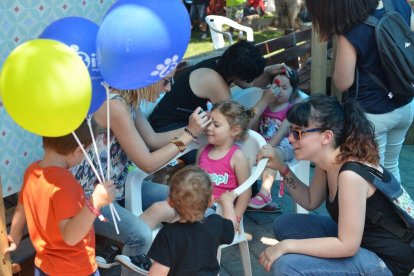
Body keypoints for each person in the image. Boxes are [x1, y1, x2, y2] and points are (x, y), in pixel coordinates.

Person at [257, 95, 414, 275]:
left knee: (286, 266)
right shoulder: (329, 162)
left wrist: (286, 246)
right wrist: (282, 168)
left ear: (326, 136)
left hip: (386, 261)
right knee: (286, 224)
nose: (291, 139)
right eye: (290, 131)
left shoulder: (350, 175)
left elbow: (347, 246)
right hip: (361, 241)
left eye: (298, 132)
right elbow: (310, 201)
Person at [71, 76, 210, 275]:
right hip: (89, 196)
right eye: (166, 81)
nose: (169, 88)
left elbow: (153, 139)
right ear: (147, 78)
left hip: (117, 187)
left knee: (188, 198)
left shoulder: (128, 102)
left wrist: (194, 129)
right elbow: (147, 162)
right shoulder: (115, 106)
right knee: (141, 235)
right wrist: (189, 135)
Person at [306, 0, 414, 183]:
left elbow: (343, 82)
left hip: (373, 114)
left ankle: (377, 212)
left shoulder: (351, 28)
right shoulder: (399, 3)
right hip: (405, 103)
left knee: (372, 175)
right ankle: (401, 210)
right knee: (391, 167)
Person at [5, 121, 115, 275]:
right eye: (86, 151)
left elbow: (21, 208)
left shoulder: (32, 171)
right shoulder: (65, 183)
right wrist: (95, 203)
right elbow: (70, 237)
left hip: (44, 266)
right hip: (75, 269)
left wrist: (14, 235)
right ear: (77, 150)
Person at [149, 40, 286, 134]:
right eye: (248, 76)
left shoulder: (225, 63)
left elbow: (251, 84)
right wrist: (264, 101)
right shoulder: (215, 83)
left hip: (170, 123)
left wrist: (268, 72)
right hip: (166, 130)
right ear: (237, 75)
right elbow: (236, 127)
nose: (249, 80)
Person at [147, 166, 237, 275]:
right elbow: (231, 225)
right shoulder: (215, 224)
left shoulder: (168, 234)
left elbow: (159, 272)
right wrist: (228, 203)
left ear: (170, 202)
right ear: (210, 202)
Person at [247, 67, 303, 211]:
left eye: (285, 87)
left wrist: (264, 151)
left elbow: (280, 134)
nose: (279, 90)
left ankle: (265, 194)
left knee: (272, 155)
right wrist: (263, 101)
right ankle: (243, 194)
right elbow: (251, 128)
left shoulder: (291, 109)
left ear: (293, 91)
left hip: (282, 147)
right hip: (263, 144)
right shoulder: (265, 105)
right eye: (276, 86)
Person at [196, 100, 253, 229]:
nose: (209, 127)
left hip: (218, 212)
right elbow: (193, 178)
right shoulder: (202, 150)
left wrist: (236, 219)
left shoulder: (237, 158)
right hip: (196, 203)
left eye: (216, 125)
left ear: (234, 131)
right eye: (209, 122)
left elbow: (245, 192)